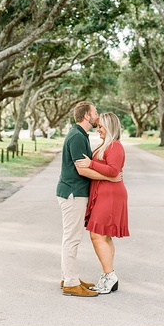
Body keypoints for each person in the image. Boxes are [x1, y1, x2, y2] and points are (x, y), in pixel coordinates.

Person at [56, 101, 121, 297]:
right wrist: (110, 177)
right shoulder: (76, 136)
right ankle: (70, 283)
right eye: (94, 112)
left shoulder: (80, 135)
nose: (97, 115)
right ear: (86, 115)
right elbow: (82, 169)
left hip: (76, 193)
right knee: (72, 238)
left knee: (72, 237)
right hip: (72, 193)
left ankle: (69, 277)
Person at [75, 112, 129, 294]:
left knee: (97, 235)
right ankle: (108, 276)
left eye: (101, 126)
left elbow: (114, 171)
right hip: (104, 193)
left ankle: (110, 275)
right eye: (98, 126)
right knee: (104, 236)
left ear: (110, 126)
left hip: (111, 195)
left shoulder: (115, 147)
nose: (98, 129)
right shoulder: (105, 145)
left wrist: (91, 164)